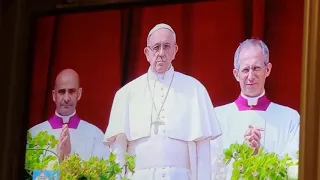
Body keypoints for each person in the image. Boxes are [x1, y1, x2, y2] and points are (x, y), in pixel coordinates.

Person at [103, 23, 222, 180]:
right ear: (147, 53)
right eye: (156, 47)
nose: (161, 52)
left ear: (175, 51)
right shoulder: (126, 94)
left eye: (166, 46)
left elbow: (203, 152)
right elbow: (118, 151)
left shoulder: (194, 89)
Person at [210, 39, 300, 180]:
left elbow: (294, 169)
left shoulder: (290, 119)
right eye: (245, 69)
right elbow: (210, 169)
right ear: (236, 74)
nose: (251, 76)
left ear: (268, 69)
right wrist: (243, 155)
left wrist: (260, 155)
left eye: (256, 68)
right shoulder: (216, 117)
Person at [28, 69, 109, 162]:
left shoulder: (95, 135)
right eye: (62, 92)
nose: (66, 98)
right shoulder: (34, 134)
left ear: (79, 94)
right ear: (54, 95)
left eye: (71, 91)